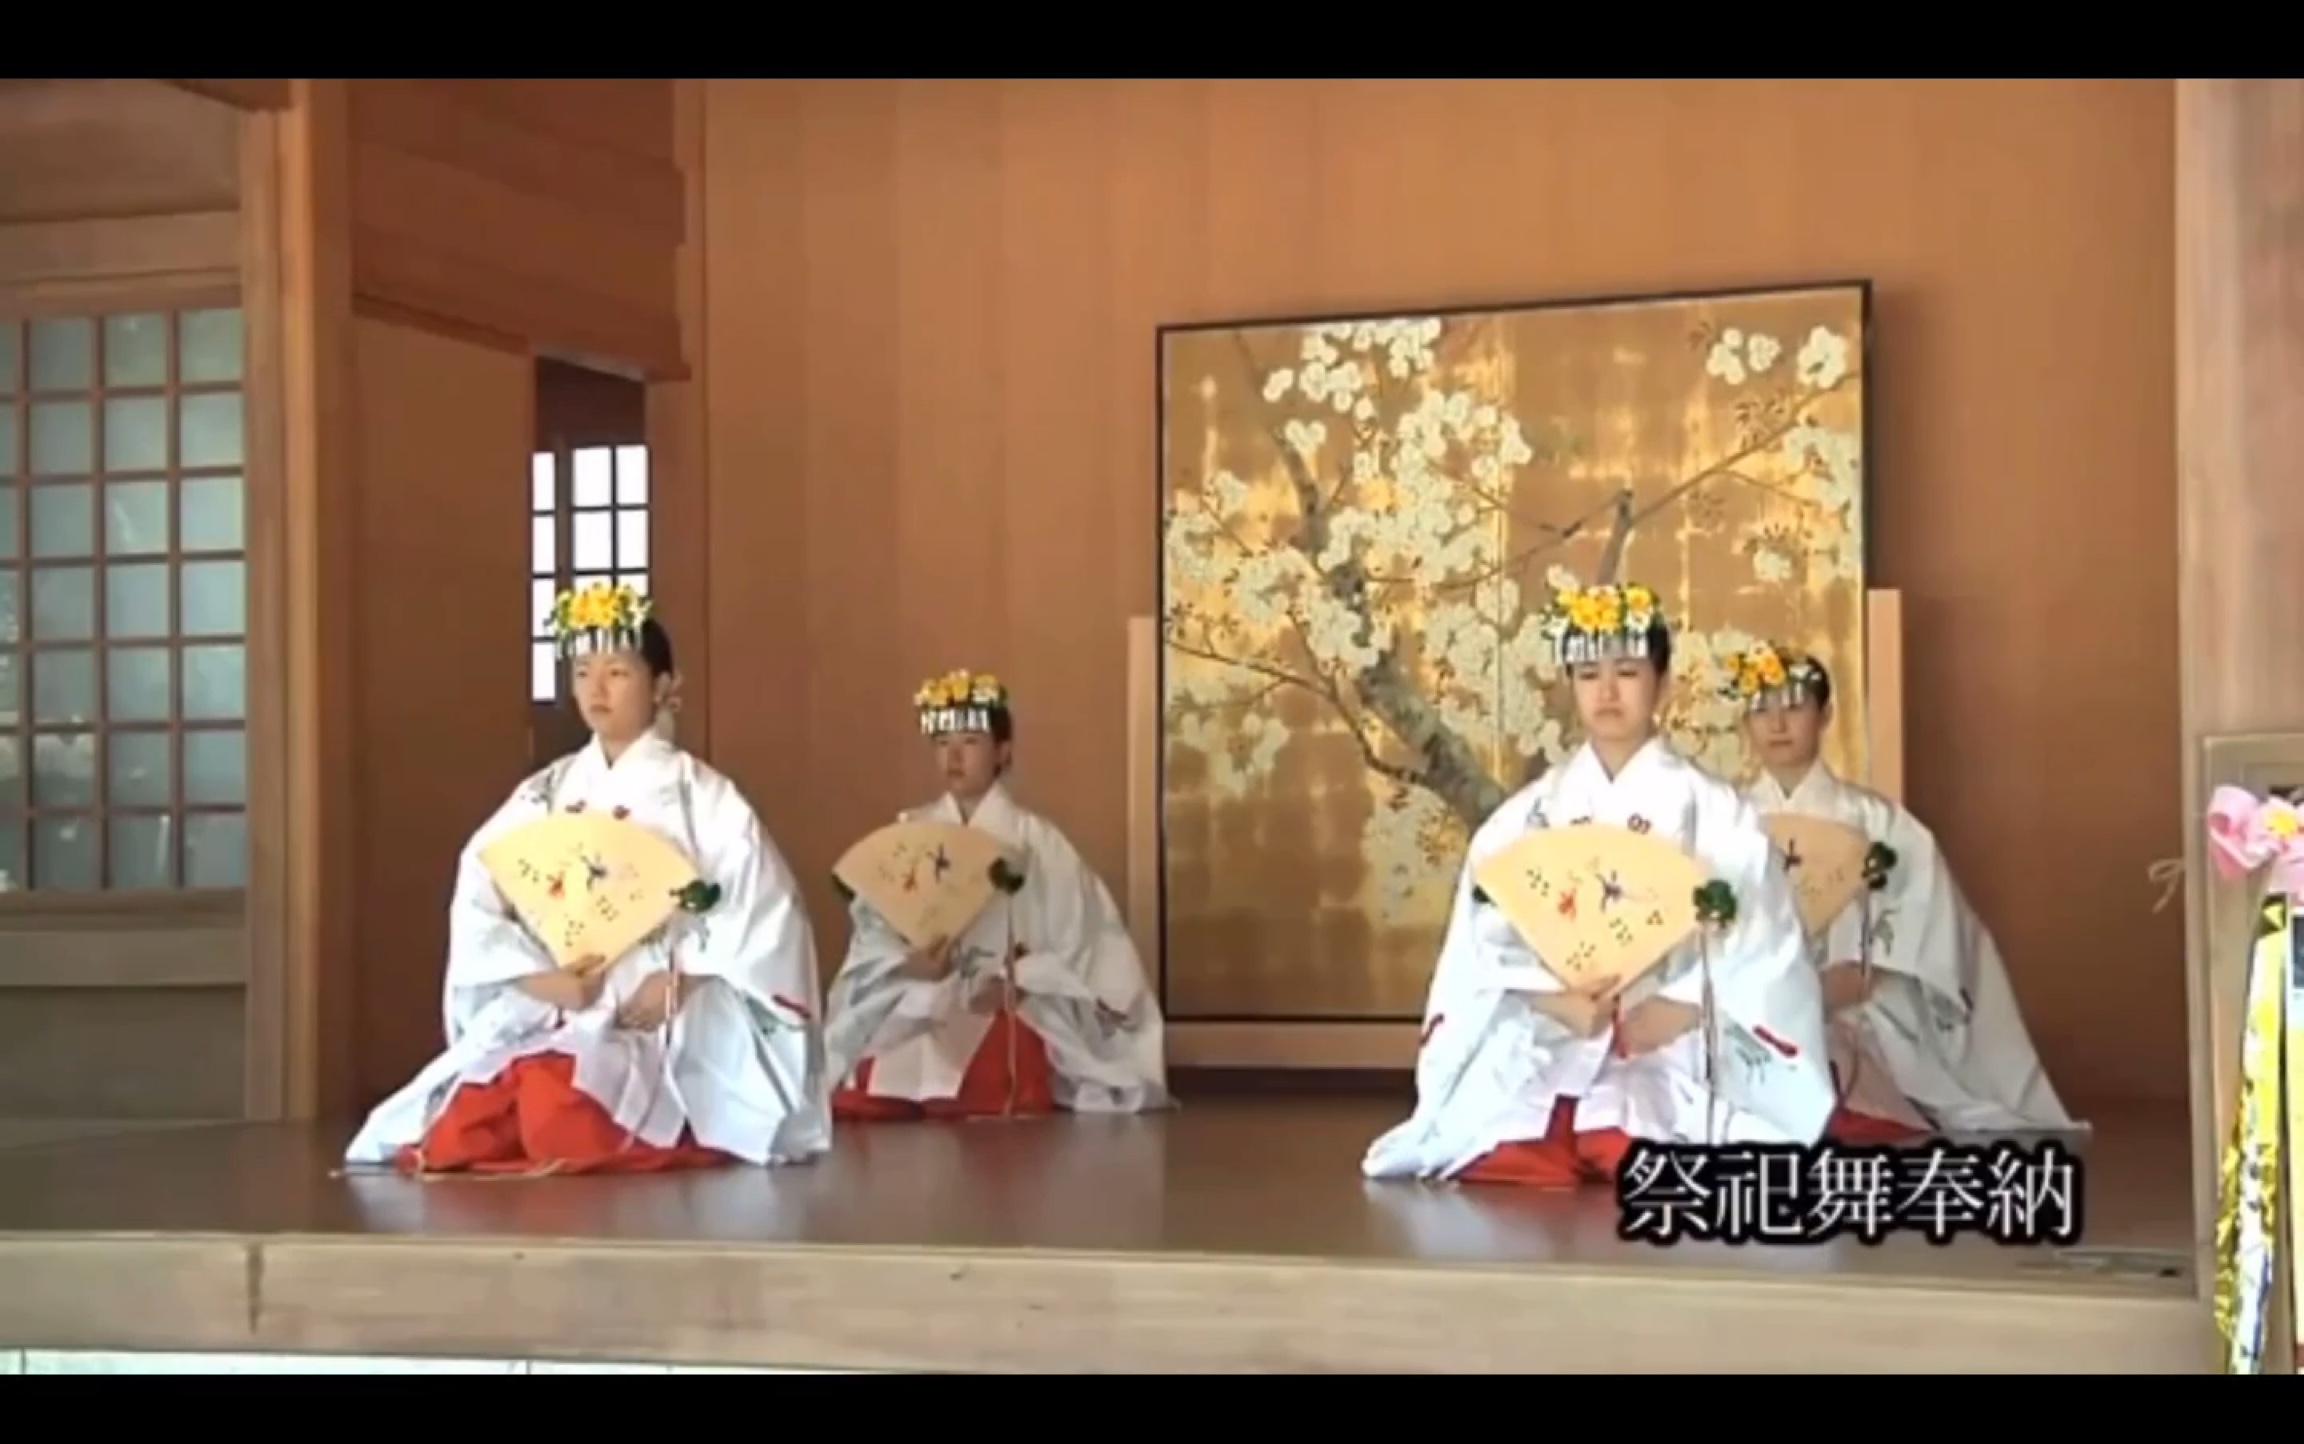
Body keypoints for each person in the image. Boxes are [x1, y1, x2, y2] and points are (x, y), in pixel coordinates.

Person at [343, 582, 831, 1176]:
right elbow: (479, 887)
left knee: (559, 1114)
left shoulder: (700, 797)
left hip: (662, 1014)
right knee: (459, 1120)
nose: (596, 689)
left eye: (618, 672)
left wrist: (684, 978)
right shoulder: (547, 793)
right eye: (582, 671)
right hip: (564, 1001)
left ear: (662, 687)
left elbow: (763, 906)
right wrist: (539, 977)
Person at [1363, 582, 1833, 1188]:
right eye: (1588, 674)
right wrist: (1551, 998)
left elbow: (1762, 940)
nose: (1607, 691)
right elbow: (1485, 942)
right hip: (1556, 1024)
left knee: (1639, 1136)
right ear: (1571, 685)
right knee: (1509, 1141)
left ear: (1661, 684)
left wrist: (1685, 1004)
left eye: (1628, 671)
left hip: (1670, 1032)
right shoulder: (1527, 818)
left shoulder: (1716, 814)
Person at [1733, 641, 2083, 1137]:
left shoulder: (1878, 822)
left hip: (1860, 1003)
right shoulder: (1729, 820)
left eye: (1794, 707)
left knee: (1845, 1079)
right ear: (1745, 725)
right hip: (1758, 1004)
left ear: (1825, 714)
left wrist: (1850, 974)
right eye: (1761, 711)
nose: (1778, 724)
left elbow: (1920, 917)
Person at [825, 670, 1168, 1121]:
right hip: (923, 990)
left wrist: (1019, 981)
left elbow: (1080, 938)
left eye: (970, 741)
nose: (954, 755)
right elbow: (873, 939)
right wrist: (909, 964)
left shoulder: (1039, 844)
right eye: (943, 743)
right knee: (910, 1019)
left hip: (1011, 998)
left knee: (987, 1043)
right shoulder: (911, 836)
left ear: (1002, 752)